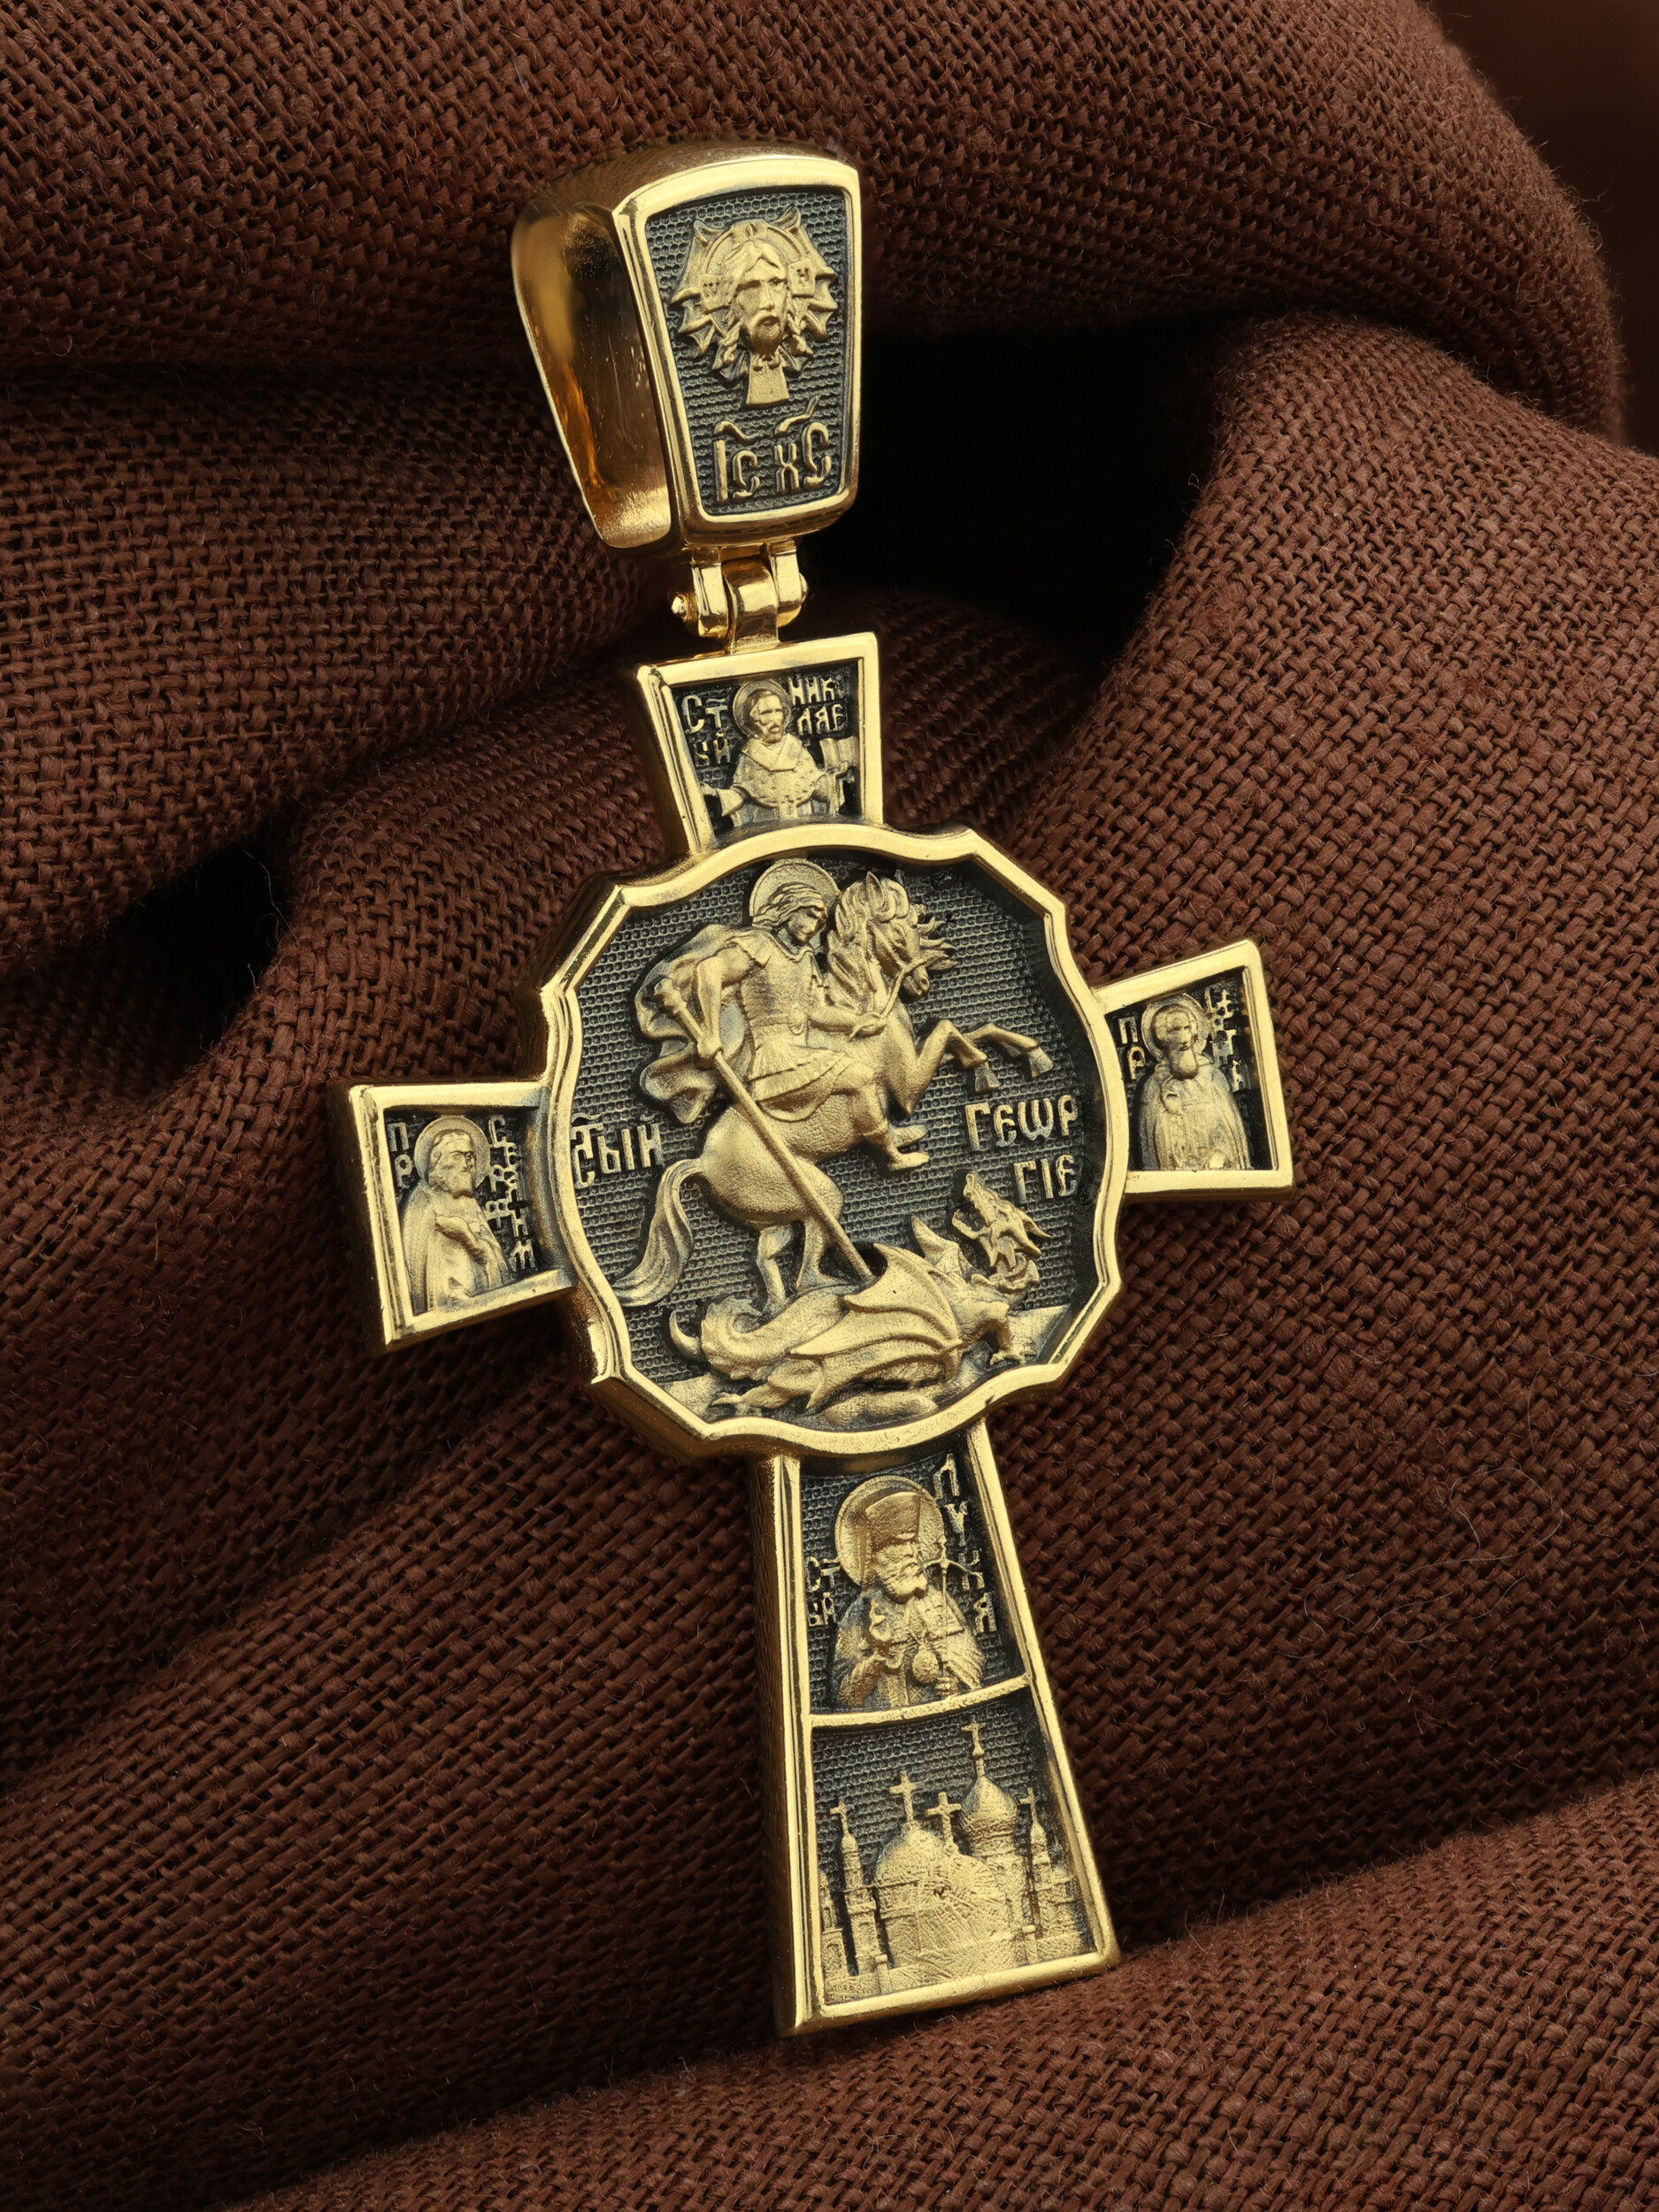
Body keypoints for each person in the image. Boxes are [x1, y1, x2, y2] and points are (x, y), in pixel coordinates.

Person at [832, 1482, 984, 1710]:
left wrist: (956, 1685)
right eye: (898, 1545)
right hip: (885, 1727)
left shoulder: (937, 1600)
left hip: (944, 1717)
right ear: (877, 1558)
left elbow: (973, 1661)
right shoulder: (860, 1613)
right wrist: (879, 1655)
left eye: (913, 1543)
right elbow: (844, 1696)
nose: (912, 1554)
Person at [399, 1118, 511, 1315]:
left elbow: (498, 1261)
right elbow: (418, 1274)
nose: (467, 1164)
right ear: (439, 1162)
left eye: (470, 1156)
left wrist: (468, 1238)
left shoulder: (469, 1203)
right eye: (458, 1156)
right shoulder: (424, 1202)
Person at [701, 678, 843, 829]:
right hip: (767, 826)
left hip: (805, 822)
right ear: (754, 719)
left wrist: (834, 776)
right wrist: (714, 794)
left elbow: (816, 786)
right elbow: (740, 793)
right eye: (766, 712)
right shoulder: (750, 755)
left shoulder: (796, 748)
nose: (774, 719)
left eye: (778, 711)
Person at [1135, 994, 1251, 1172]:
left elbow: (1231, 1131)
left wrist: (1221, 1154)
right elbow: (1152, 1146)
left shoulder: (1213, 1077)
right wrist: (1170, 1113)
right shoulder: (1154, 1086)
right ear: (1163, 1037)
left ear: (1194, 1032)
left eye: (1187, 1028)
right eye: (1175, 1030)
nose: (1184, 1038)